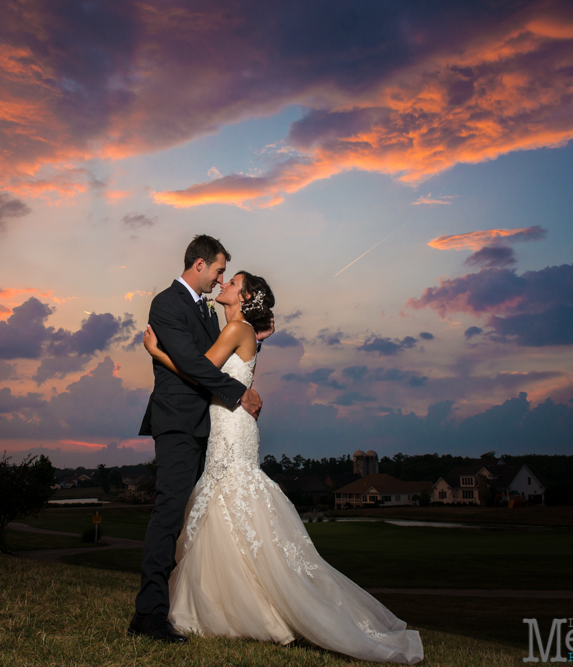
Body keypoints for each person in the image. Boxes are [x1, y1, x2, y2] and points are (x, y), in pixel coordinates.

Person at [142, 270, 424, 664]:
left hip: (232, 430)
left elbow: (198, 373)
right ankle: (239, 607)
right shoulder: (241, 331)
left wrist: (157, 354)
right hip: (229, 427)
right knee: (225, 512)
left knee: (232, 504)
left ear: (244, 296)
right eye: (223, 276)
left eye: (232, 282)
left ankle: (257, 609)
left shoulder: (236, 330)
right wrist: (258, 339)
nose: (224, 283)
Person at [129, 235, 269, 643]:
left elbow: (223, 351)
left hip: (206, 427)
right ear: (200, 265)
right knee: (169, 513)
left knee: (193, 519)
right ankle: (148, 615)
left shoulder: (207, 310)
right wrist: (238, 391)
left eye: (226, 275)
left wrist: (257, 341)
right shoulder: (167, 304)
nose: (220, 278)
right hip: (176, 422)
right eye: (219, 271)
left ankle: (196, 604)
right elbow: (193, 365)